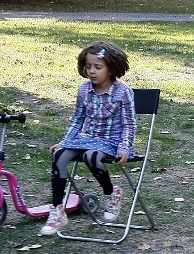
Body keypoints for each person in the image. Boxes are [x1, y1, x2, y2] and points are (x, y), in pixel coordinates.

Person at [40, 40, 136, 235]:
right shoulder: (84, 90)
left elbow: (129, 124)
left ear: (111, 69)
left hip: (111, 141)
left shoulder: (123, 92)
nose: (92, 71)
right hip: (86, 137)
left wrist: (124, 147)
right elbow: (77, 119)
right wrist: (65, 141)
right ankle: (57, 211)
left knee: (91, 156)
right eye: (88, 66)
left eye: (98, 67)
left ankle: (111, 194)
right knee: (59, 155)